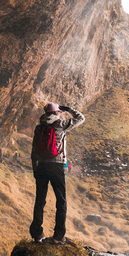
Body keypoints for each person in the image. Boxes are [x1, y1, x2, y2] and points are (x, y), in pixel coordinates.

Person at [30, 102, 85, 244]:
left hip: (41, 166)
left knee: (40, 200)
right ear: (57, 113)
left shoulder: (38, 127)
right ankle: (59, 236)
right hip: (56, 166)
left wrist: (35, 169)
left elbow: (34, 151)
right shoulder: (61, 124)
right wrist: (68, 109)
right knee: (61, 201)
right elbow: (81, 118)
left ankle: (37, 233)